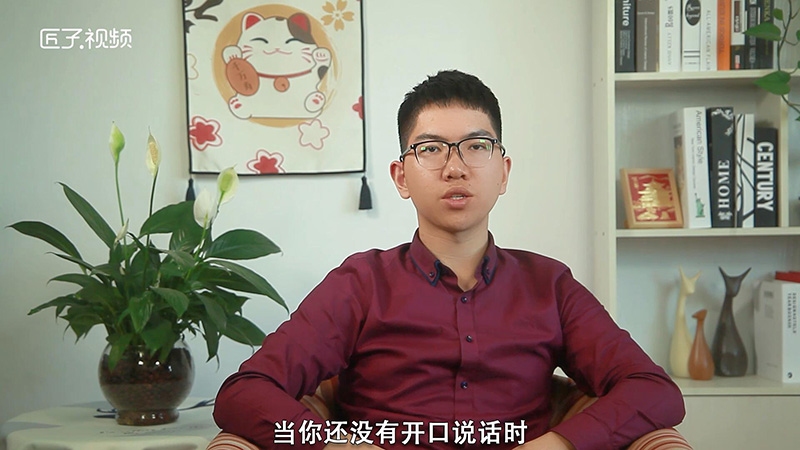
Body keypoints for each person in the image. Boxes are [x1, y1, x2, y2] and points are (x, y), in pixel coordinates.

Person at [213, 70, 685, 450]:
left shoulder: (550, 285)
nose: (455, 167)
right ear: (401, 177)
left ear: (503, 172)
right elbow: (244, 393)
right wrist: (337, 445)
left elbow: (653, 390)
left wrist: (558, 443)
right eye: (431, 149)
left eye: (477, 146)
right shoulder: (360, 283)